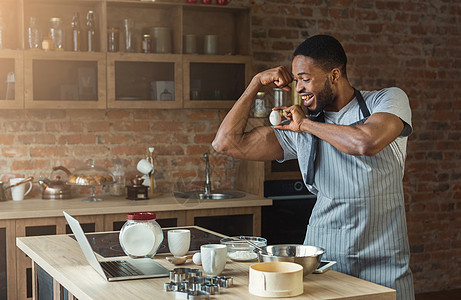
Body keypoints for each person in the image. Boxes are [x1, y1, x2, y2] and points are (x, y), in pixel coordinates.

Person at [212, 34, 414, 300]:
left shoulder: (386, 101)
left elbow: (366, 142)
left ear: (334, 75)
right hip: (325, 261)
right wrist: (255, 84)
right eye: (296, 81)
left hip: (383, 260)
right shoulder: (300, 127)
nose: (300, 88)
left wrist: (305, 125)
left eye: (305, 79)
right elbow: (225, 143)